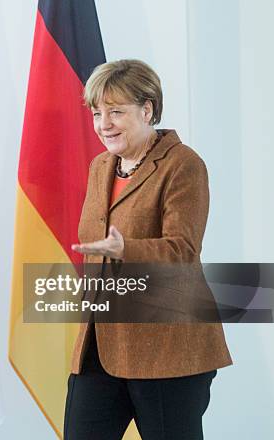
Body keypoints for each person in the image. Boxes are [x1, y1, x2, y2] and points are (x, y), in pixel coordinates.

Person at [64, 59, 232, 440]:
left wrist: (128, 250)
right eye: (97, 113)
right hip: (100, 345)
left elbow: (183, 249)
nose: (103, 123)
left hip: (167, 346)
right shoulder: (99, 166)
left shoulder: (183, 164)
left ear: (148, 109)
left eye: (116, 112)